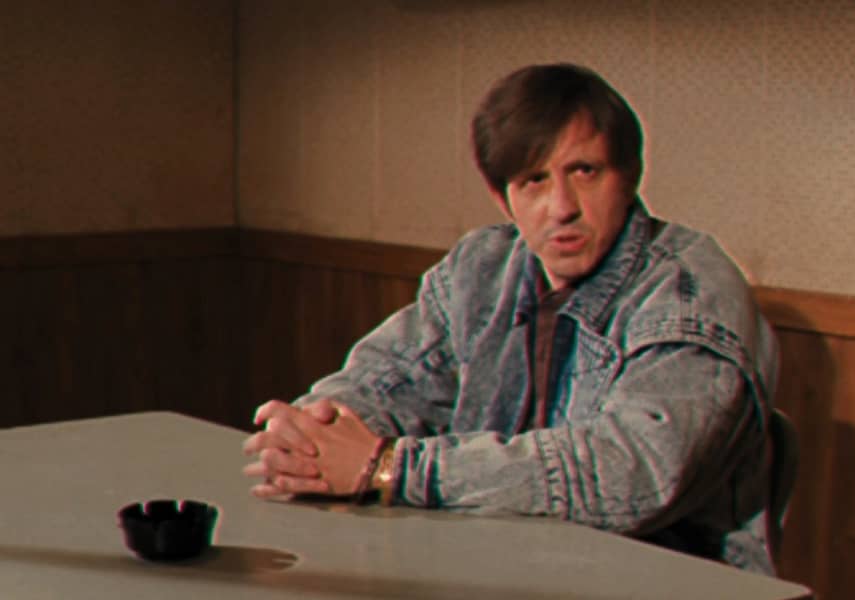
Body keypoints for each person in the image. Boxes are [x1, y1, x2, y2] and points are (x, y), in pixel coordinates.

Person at [242, 63, 780, 574]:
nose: (561, 206)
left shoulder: (688, 285)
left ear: (630, 175)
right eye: (534, 181)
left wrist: (392, 468)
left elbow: (633, 470)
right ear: (504, 199)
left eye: (584, 172)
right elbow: (389, 379)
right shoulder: (484, 266)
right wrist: (314, 436)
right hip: (497, 565)